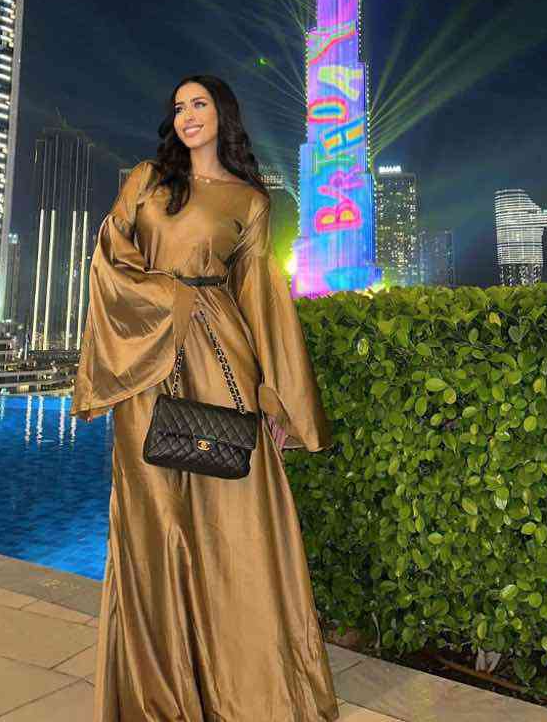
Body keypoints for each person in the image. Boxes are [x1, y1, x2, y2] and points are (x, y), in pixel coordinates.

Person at [71, 74, 340, 721]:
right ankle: (161, 698)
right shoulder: (147, 182)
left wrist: (276, 396)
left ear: (223, 114)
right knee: (152, 525)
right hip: (146, 366)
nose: (188, 115)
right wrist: (173, 296)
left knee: (233, 528)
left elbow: (262, 296)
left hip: (220, 362)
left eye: (200, 104)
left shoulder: (250, 200)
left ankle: (248, 690)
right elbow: (109, 259)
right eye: (179, 107)